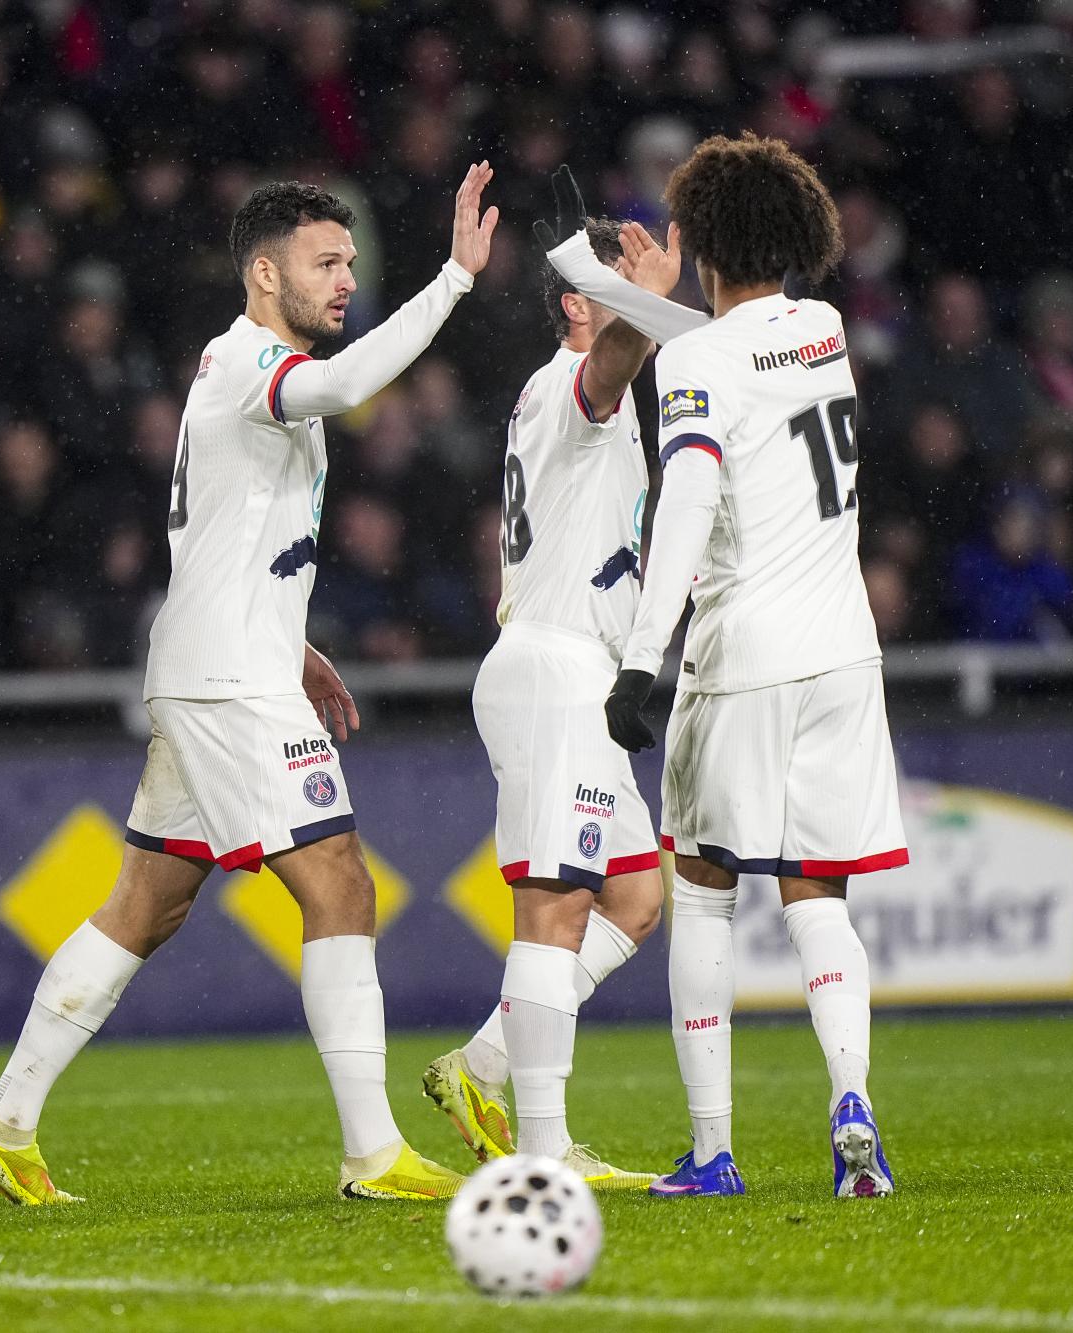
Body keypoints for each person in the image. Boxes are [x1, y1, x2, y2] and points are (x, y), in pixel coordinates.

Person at [0, 166, 500, 1204]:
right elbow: (341, 387)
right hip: (226, 682)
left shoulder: (242, 369)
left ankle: (2, 1122)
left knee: (144, 908)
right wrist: (454, 283)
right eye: (323, 263)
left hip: (227, 661)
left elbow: (222, 533)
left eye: (347, 261)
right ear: (262, 271)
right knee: (339, 879)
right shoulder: (256, 360)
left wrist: (289, 640)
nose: (344, 280)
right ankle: (373, 1153)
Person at [599, 133, 907, 1199]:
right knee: (816, 893)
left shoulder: (691, 364)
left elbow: (684, 500)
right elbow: (738, 352)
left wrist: (642, 659)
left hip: (741, 655)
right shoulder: (822, 331)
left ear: (697, 241)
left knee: (705, 893)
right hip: (841, 652)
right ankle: (851, 1104)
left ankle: (713, 1149)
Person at [421, 209, 678, 1192]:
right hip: (552, 668)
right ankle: (539, 1147)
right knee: (554, 903)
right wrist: (647, 294)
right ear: (579, 300)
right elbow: (612, 363)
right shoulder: (572, 387)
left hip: (579, 672)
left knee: (632, 897)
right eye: (609, 281)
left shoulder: (578, 398)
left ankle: (479, 1064)